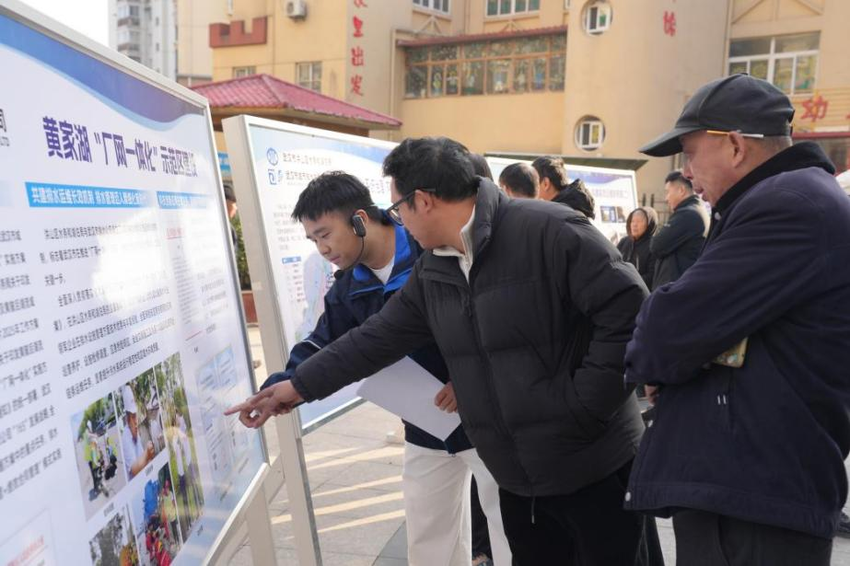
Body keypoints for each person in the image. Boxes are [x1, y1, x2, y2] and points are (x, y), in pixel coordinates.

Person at [227, 137, 650, 564]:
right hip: (515, 471)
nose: (399, 221)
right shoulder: (434, 265)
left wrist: (583, 405)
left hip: (592, 463)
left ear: (424, 201)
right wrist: (294, 387)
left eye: (398, 209)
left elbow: (631, 312)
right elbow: (373, 338)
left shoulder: (548, 230)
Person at [624, 73, 850, 565]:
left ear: (734, 145)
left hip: (753, 497)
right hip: (755, 487)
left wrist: (670, 361)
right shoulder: (786, 198)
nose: (687, 173)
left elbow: (665, 331)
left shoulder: (787, 206)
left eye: (690, 154)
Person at [252, 171, 511, 566]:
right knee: (428, 540)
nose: (322, 249)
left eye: (325, 234)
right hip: (425, 426)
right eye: (313, 240)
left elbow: (493, 322)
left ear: (359, 219)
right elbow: (322, 343)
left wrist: (467, 379)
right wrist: (282, 386)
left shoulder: (430, 250)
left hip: (483, 415)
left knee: (509, 531)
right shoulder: (348, 286)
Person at [649, 171, 708, 290]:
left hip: (676, 288)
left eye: (668, 192)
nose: (666, 198)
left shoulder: (687, 214)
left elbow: (656, 245)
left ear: (681, 190)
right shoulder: (696, 211)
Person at [532, 156, 596, 218]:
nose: (531, 191)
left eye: (533, 185)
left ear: (546, 184)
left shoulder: (555, 216)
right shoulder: (575, 209)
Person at [617, 207, 659, 290]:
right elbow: (613, 263)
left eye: (639, 221)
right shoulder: (624, 241)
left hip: (640, 292)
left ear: (649, 224)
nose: (634, 225)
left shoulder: (654, 245)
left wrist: (629, 282)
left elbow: (652, 275)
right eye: (632, 221)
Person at [121, 385, 155, 479]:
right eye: (132, 417)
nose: (136, 421)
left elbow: (142, 459)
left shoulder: (136, 434)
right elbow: (134, 469)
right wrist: (147, 453)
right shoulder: (125, 437)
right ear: (127, 419)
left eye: (135, 415)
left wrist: (149, 457)